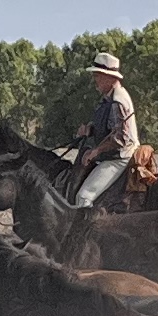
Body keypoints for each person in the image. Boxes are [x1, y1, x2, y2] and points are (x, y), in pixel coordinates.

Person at [65, 51, 138, 210]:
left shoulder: (117, 101)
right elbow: (108, 128)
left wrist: (95, 151)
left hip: (119, 158)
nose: (95, 80)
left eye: (98, 75)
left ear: (110, 78)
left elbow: (120, 139)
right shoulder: (109, 99)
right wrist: (89, 130)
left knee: (84, 197)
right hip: (111, 156)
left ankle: (87, 234)